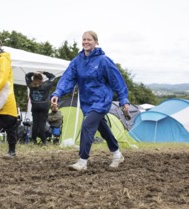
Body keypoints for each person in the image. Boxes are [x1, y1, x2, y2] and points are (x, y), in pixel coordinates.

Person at [51, 31, 130, 171]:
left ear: (96, 42)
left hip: (102, 100)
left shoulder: (103, 60)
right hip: (87, 102)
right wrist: (58, 93)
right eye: (84, 39)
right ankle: (117, 154)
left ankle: (82, 161)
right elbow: (68, 78)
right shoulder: (77, 61)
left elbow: (117, 80)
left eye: (89, 40)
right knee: (102, 128)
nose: (86, 42)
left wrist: (124, 100)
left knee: (87, 125)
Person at [25, 71, 55, 145]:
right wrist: (44, 72)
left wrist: (32, 73)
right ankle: (43, 141)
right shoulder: (45, 85)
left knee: (35, 124)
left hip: (35, 106)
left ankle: (34, 140)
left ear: (34, 78)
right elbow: (52, 77)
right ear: (41, 79)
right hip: (44, 107)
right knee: (42, 124)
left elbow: (26, 76)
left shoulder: (31, 85)